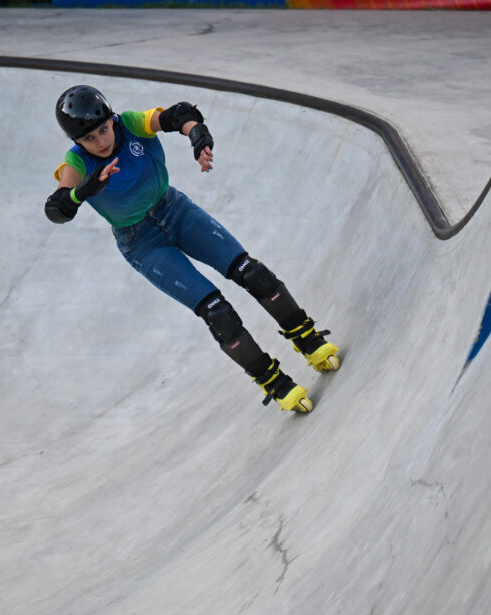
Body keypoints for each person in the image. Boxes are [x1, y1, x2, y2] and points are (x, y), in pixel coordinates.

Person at [44, 85, 339, 413]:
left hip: (174, 209)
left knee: (251, 272)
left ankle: (307, 339)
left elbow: (176, 115)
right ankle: (274, 381)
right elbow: (56, 209)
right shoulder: (76, 162)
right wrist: (81, 191)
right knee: (218, 313)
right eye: (89, 139)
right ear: (76, 143)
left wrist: (196, 133)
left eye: (103, 130)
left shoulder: (129, 123)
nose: (101, 142)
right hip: (140, 242)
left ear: (111, 119)